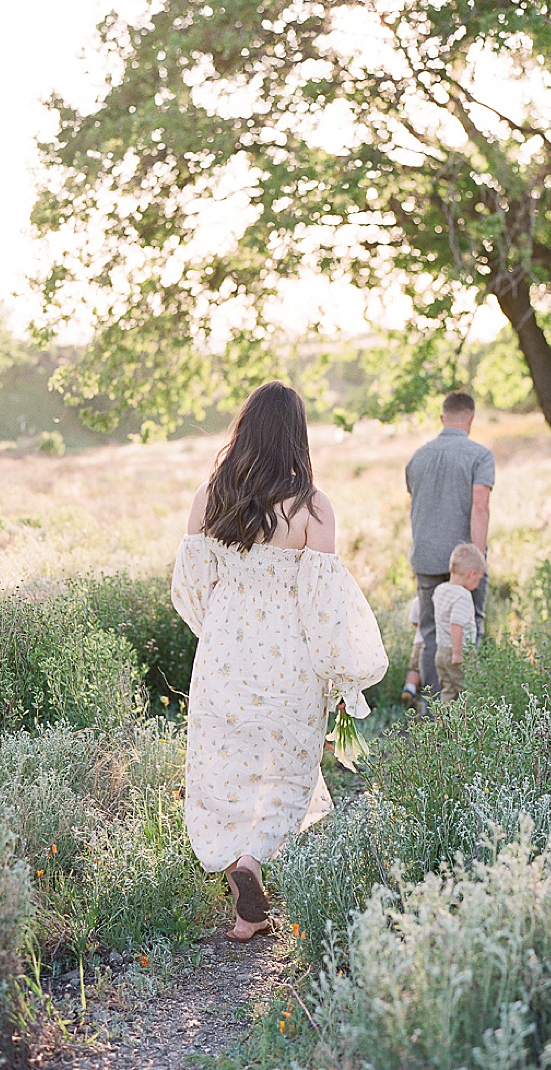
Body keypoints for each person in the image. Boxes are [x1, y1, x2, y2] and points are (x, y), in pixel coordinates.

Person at [171, 382, 388, 943]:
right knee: (285, 771)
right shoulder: (311, 507)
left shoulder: (209, 498)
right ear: (297, 435)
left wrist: (220, 633)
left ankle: (243, 887)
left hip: (223, 656)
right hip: (291, 662)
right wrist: (341, 672)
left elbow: (191, 588)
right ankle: (254, 857)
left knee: (224, 767)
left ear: (244, 429)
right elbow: (326, 605)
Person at [405, 392, 494, 697]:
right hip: (465, 563)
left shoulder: (417, 457)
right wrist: (478, 559)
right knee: (470, 630)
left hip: (426, 558)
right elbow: (480, 506)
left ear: (442, 419)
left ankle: (431, 716)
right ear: (470, 419)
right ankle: (468, 712)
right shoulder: (479, 455)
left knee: (430, 633)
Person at [433, 543, 487, 704]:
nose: (477, 585)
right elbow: (456, 624)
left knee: (448, 690)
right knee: (469, 690)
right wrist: (457, 653)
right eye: (477, 579)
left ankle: (443, 726)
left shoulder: (440, 590)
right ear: (471, 574)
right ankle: (469, 725)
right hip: (459, 651)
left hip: (441, 652)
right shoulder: (462, 596)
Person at [401, 595, 422, 707]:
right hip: (435, 642)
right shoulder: (441, 598)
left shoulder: (417, 600)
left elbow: (414, 622)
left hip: (419, 641)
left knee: (415, 669)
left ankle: (409, 689)